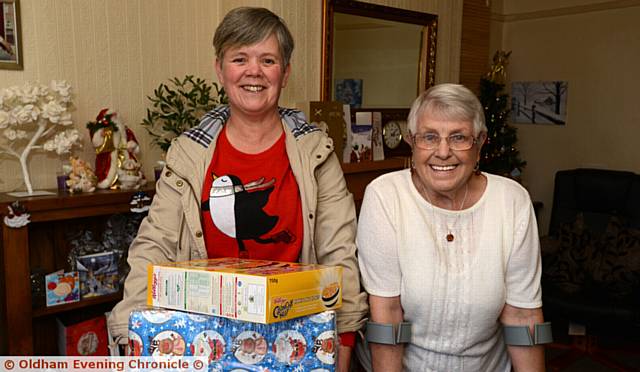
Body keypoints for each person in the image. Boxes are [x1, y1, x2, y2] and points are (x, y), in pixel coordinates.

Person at [107, 7, 368, 370]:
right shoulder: (189, 153)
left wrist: (343, 342)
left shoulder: (316, 153)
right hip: (201, 341)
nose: (253, 72)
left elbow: (340, 254)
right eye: (239, 58)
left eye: (268, 60)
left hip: (299, 343)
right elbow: (152, 246)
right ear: (220, 68)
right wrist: (129, 334)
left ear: (286, 71)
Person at [355, 83, 548, 371]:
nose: (443, 152)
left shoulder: (512, 200)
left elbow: (523, 315)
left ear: (480, 142)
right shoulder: (386, 195)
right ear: (411, 141)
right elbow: (388, 314)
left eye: (458, 137)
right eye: (429, 137)